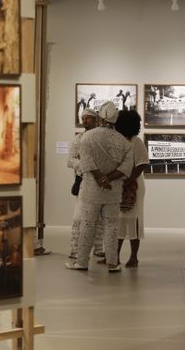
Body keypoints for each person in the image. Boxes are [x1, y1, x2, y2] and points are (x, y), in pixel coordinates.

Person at [65, 101, 133, 272]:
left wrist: (100, 178)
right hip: (113, 190)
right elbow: (126, 166)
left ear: (100, 117)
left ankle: (81, 262)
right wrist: (108, 179)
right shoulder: (123, 141)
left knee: (88, 224)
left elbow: (86, 161)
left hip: (91, 189)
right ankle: (112, 263)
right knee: (111, 226)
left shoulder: (88, 137)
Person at [67, 108, 105, 260]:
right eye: (83, 119)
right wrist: (85, 166)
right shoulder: (79, 138)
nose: (85, 121)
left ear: (96, 120)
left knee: (100, 217)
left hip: (100, 180)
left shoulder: (102, 138)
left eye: (88, 118)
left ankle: (98, 248)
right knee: (79, 216)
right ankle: (75, 249)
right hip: (84, 180)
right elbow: (70, 160)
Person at [115, 110, 149, 268]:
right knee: (118, 219)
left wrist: (129, 180)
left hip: (134, 185)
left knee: (133, 218)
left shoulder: (136, 142)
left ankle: (134, 257)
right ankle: (114, 255)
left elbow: (142, 164)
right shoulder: (117, 139)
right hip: (119, 184)